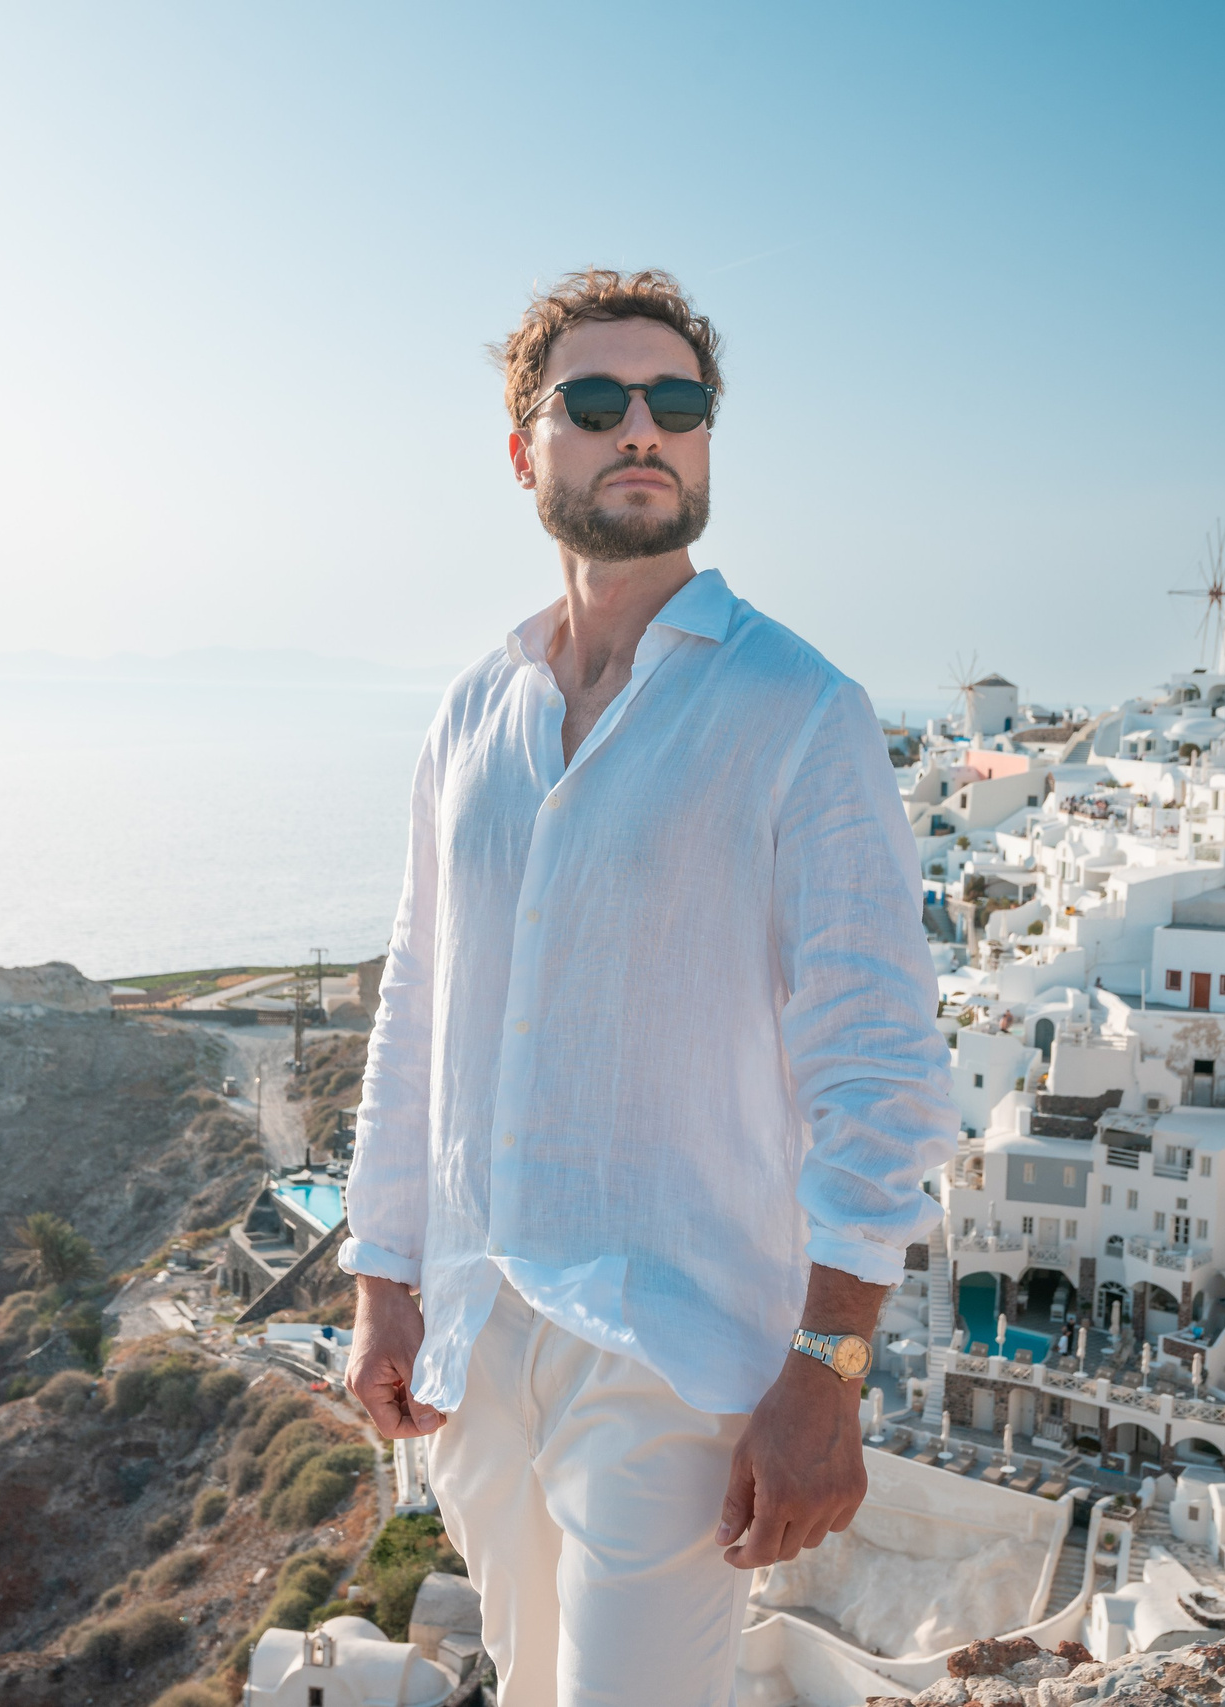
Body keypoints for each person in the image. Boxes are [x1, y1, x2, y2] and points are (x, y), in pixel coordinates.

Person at [337, 268, 956, 1707]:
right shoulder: (474, 712)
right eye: (598, 403)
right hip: (480, 1331)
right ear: (523, 449)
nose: (643, 431)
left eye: (678, 406)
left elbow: (880, 1069)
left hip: (675, 1346)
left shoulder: (798, 711)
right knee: (529, 1682)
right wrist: (384, 1280)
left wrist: (829, 1372)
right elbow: (418, 1008)